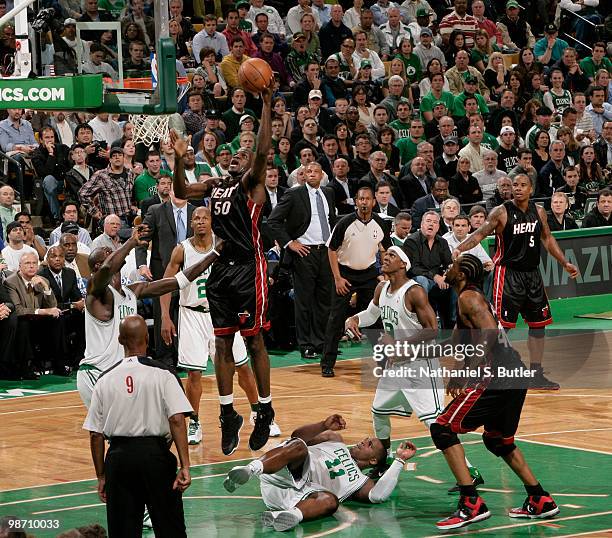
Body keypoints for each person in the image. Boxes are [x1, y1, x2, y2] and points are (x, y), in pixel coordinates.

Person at [172, 84, 276, 455]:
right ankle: (228, 412)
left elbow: (263, 149)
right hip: (220, 270)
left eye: (242, 155)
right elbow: (182, 191)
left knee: (253, 339)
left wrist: (265, 105)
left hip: (249, 268)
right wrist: (179, 158)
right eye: (233, 153)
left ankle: (264, 410)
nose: (236, 156)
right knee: (221, 342)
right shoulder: (216, 185)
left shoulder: (251, 186)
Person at [432, 253, 560, 530]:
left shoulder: (469, 297)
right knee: (497, 440)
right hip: (514, 375)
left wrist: (468, 373)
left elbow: (489, 333)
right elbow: (460, 336)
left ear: (463, 273)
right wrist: (456, 369)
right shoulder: (468, 296)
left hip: (497, 377)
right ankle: (539, 498)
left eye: (453, 265)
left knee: (441, 428)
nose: (449, 267)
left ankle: (471, 503)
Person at [160, 206, 280, 445]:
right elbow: (167, 282)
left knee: (243, 367)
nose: (201, 221)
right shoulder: (181, 250)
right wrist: (165, 316)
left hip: (223, 314)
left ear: (212, 221)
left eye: (205, 218)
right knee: (194, 374)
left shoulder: (225, 245)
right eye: (197, 218)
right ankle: (194, 421)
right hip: (192, 314)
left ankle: (259, 412)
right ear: (191, 223)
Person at [451, 174, 579, 390]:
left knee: (539, 326)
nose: (517, 189)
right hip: (507, 274)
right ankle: (484, 371)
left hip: (532, 274)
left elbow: (547, 238)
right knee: (498, 328)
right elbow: (480, 234)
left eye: (522, 185)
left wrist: (565, 262)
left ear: (531, 189)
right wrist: (460, 248)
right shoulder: (501, 212)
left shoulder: (538, 212)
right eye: (514, 185)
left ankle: (536, 374)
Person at [76, 225, 223, 409]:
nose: (113, 252)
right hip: (95, 373)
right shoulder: (95, 291)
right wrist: (130, 242)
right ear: (97, 266)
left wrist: (214, 254)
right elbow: (106, 269)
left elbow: (178, 281)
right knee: (111, 430)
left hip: (117, 373)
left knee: (130, 429)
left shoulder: (132, 291)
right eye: (108, 252)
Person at [83, 315, 192, 537]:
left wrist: (101, 476)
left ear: (120, 340)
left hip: (119, 460)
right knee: (170, 528)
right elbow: (177, 420)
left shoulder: (104, 380)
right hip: (156, 458)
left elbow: (95, 434)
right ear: (148, 338)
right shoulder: (164, 374)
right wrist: (185, 465)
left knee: (123, 532)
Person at [223, 414, 416, 532]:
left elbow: (379, 495)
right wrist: (323, 425)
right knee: (299, 445)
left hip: (296, 496)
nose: (363, 441)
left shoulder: (360, 482)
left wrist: (399, 460)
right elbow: (297, 436)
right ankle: (249, 470)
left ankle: (288, 516)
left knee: (331, 501)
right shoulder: (335, 438)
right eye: (366, 438)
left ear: (373, 460)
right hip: (282, 469)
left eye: (369, 444)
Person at [268, 162, 336, 360]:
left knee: (324, 301)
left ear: (322, 174)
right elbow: (273, 221)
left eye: (316, 171)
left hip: (326, 251)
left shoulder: (328, 193)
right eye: (308, 172)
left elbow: (332, 220)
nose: (312, 174)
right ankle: (305, 344)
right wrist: (290, 243)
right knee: (304, 301)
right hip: (304, 253)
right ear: (303, 175)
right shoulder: (294, 194)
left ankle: (321, 342)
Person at [322, 184, 391, 377]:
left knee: (374, 319)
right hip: (345, 273)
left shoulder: (380, 223)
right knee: (336, 319)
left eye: (367, 199)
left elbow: (386, 249)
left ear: (374, 202)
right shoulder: (344, 222)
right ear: (356, 202)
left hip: (368, 274)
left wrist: (383, 274)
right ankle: (327, 363)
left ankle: (383, 363)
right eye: (361, 199)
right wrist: (337, 278)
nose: (364, 202)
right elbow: (331, 249)